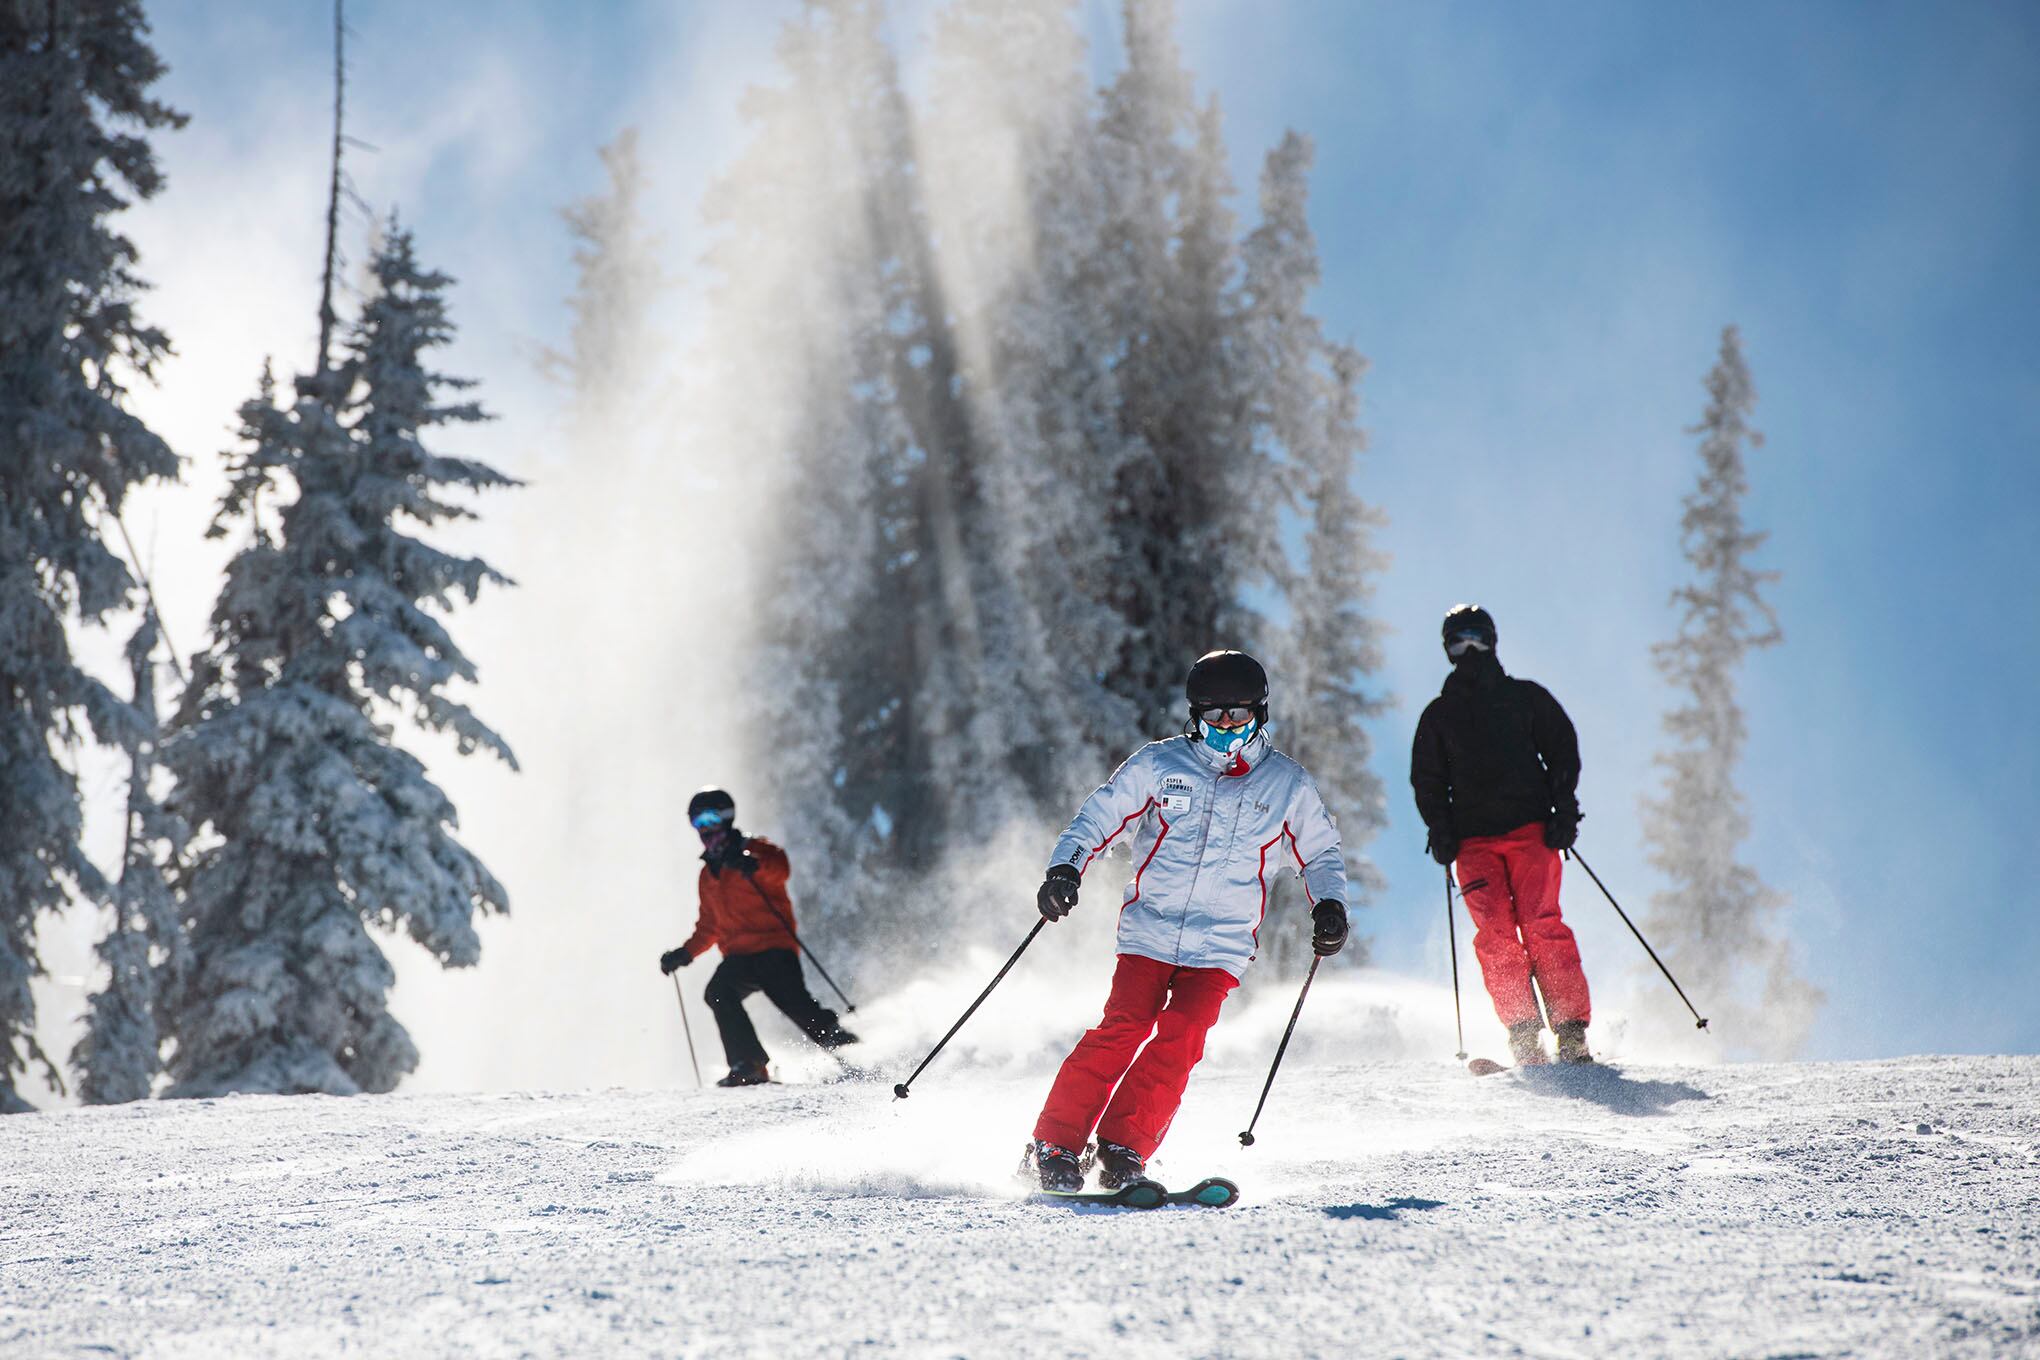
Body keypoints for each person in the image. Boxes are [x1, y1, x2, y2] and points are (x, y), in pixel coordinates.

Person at [1024, 650, 1349, 1192]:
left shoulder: (1285, 784)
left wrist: (1330, 905)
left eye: (1238, 715)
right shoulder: (1160, 765)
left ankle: (1124, 1148)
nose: (1226, 726)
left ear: (1260, 714)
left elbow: (1320, 854)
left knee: (1183, 1036)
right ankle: (1055, 1144)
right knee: (1124, 1026)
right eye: (1214, 714)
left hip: (1220, 944)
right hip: (1151, 930)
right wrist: (1066, 867)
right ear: (1195, 713)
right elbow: (1099, 817)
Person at [1410, 605, 1593, 1067]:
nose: (1468, 649)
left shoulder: (1525, 698)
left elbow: (1562, 749)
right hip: (1474, 844)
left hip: (1531, 831)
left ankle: (1570, 1033)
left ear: (1492, 640)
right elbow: (1427, 779)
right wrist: (1441, 828)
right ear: (1448, 650)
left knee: (1540, 923)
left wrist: (1563, 809)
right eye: (1458, 641)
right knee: (1496, 936)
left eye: (1475, 638)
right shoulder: (1439, 715)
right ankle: (1525, 1035)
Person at [659, 788, 858, 1086]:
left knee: (792, 1002)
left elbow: (780, 870)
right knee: (718, 992)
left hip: (774, 949)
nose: (705, 829)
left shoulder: (757, 850)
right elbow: (710, 925)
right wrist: (685, 953)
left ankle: (845, 1048)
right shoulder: (708, 875)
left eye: (710, 819)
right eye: (697, 823)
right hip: (738, 956)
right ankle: (749, 1064)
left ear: (726, 818)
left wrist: (751, 863)